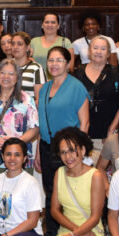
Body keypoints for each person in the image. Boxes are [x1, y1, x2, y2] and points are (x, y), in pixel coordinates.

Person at [47, 128, 107, 236]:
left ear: (82, 150)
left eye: (72, 151)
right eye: (63, 152)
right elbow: (54, 210)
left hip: (92, 231)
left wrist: (77, 234)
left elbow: (95, 217)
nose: (68, 157)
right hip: (67, 230)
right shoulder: (59, 173)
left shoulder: (95, 176)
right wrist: (74, 232)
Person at [36, 47, 90, 208]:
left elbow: (85, 123)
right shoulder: (45, 88)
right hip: (46, 147)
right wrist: (39, 150)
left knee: (68, 192)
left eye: (59, 60)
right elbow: (42, 121)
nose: (54, 64)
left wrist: (77, 151)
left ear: (67, 64)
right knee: (50, 191)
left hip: (68, 150)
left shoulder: (77, 87)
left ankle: (72, 231)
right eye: (51, 60)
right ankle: (52, 232)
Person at [74, 35, 119, 154]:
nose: (99, 52)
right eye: (95, 48)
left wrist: (111, 129)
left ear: (109, 53)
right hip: (84, 131)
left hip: (109, 134)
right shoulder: (78, 72)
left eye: (103, 49)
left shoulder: (115, 73)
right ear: (89, 51)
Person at [0, 59, 39, 174]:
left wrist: (16, 142)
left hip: (20, 158)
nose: (6, 76)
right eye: (2, 72)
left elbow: (35, 128)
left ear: (17, 78)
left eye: (11, 73)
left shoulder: (26, 99)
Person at [11, 32, 46, 98]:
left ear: (27, 47)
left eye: (20, 44)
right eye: (13, 44)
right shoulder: (7, 66)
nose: (15, 47)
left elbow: (39, 99)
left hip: (29, 107)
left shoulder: (36, 68)